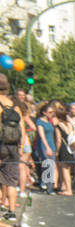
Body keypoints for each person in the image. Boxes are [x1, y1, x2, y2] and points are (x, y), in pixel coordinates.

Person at [0, 77, 26, 219]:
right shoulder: (15, 106)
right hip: (13, 147)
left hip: (1, 144)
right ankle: (11, 212)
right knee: (11, 180)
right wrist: (21, 147)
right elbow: (21, 128)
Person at [33, 101, 57, 194]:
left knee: (51, 165)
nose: (52, 114)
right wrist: (47, 147)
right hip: (44, 145)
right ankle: (48, 187)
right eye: (50, 112)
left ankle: (47, 185)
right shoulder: (40, 121)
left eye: (53, 112)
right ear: (44, 112)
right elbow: (41, 135)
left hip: (52, 144)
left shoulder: (50, 121)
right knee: (48, 165)